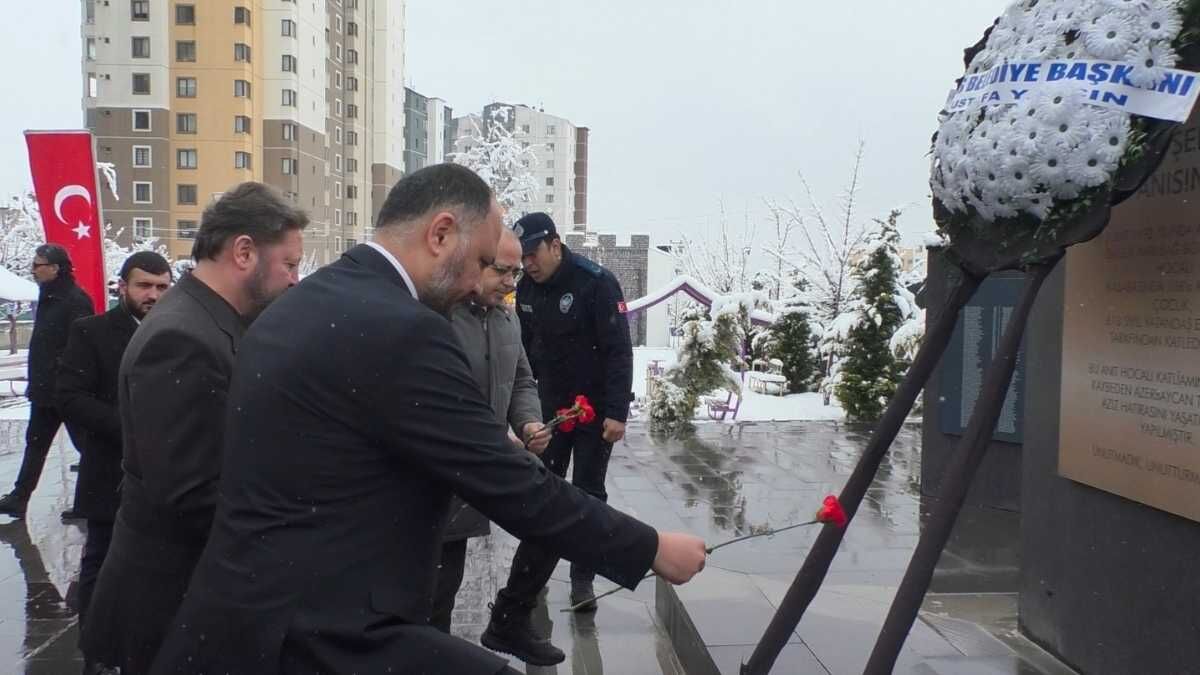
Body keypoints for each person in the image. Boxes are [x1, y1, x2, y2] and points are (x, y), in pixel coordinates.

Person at [150, 163, 706, 675]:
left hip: (242, 616)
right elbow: (511, 485)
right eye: (484, 261)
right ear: (440, 234)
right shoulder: (404, 329)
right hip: (318, 632)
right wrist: (651, 548)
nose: (483, 282)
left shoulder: (308, 300)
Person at [81, 183, 307, 675]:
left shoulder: (212, 321)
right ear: (244, 251)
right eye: (289, 264)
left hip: (188, 603)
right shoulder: (183, 337)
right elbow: (190, 492)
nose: (295, 279)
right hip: (170, 608)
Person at [482, 212, 634, 657]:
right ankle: (530, 578)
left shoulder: (595, 283)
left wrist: (616, 412)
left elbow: (618, 350)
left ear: (555, 244)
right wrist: (521, 416)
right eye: (520, 257)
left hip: (592, 414)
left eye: (532, 255)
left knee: (587, 492)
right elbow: (523, 352)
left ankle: (582, 577)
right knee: (542, 495)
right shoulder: (526, 288)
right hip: (549, 412)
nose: (526, 265)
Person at [432, 228, 550, 635]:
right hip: (431, 484)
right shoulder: (436, 316)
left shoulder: (506, 319)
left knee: (445, 589)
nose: (510, 283)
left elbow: (521, 381)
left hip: (473, 484)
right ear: (473, 261)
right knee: (420, 596)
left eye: (516, 273)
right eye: (502, 270)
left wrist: (528, 421)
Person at [56, 252, 171, 654]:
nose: (153, 295)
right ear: (122, 286)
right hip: (110, 469)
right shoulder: (92, 332)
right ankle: (95, 649)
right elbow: (68, 396)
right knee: (102, 565)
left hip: (166, 474)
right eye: (144, 285)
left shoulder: (179, 331)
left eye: (161, 286)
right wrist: (131, 429)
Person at [0, 244, 94, 518]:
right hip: (44, 391)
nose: (33, 270)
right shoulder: (47, 296)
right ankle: (19, 498)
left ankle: (91, 503)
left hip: (67, 391)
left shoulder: (75, 300)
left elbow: (81, 346)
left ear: (55, 268)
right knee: (36, 443)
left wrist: (66, 378)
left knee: (88, 448)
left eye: (38, 265)